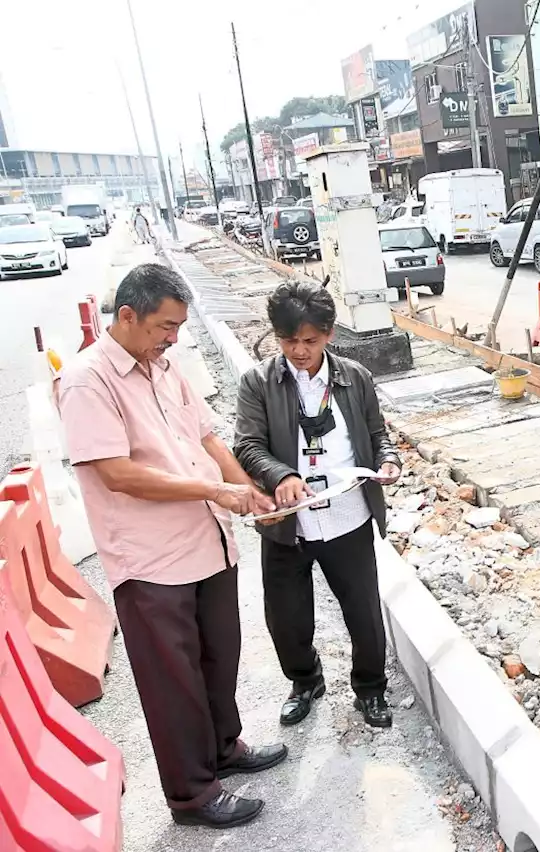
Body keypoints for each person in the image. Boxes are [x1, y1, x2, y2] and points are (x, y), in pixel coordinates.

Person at [58, 264, 287, 830]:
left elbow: (208, 437)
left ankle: (224, 749)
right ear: (128, 316)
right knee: (173, 681)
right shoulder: (89, 381)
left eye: (180, 327)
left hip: (207, 542)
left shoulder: (166, 367)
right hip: (150, 560)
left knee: (218, 655)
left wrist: (248, 491)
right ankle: (191, 793)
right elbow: (117, 473)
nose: (173, 338)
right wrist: (216, 490)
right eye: (165, 326)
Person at [234, 281, 402, 729]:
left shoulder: (354, 376)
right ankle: (305, 681)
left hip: (347, 515)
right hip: (286, 522)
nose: (299, 351)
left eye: (309, 341)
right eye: (288, 341)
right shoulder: (258, 382)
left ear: (329, 334)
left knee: (363, 613)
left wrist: (388, 459)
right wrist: (281, 475)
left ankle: (370, 690)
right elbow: (247, 445)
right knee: (286, 618)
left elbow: (377, 433)